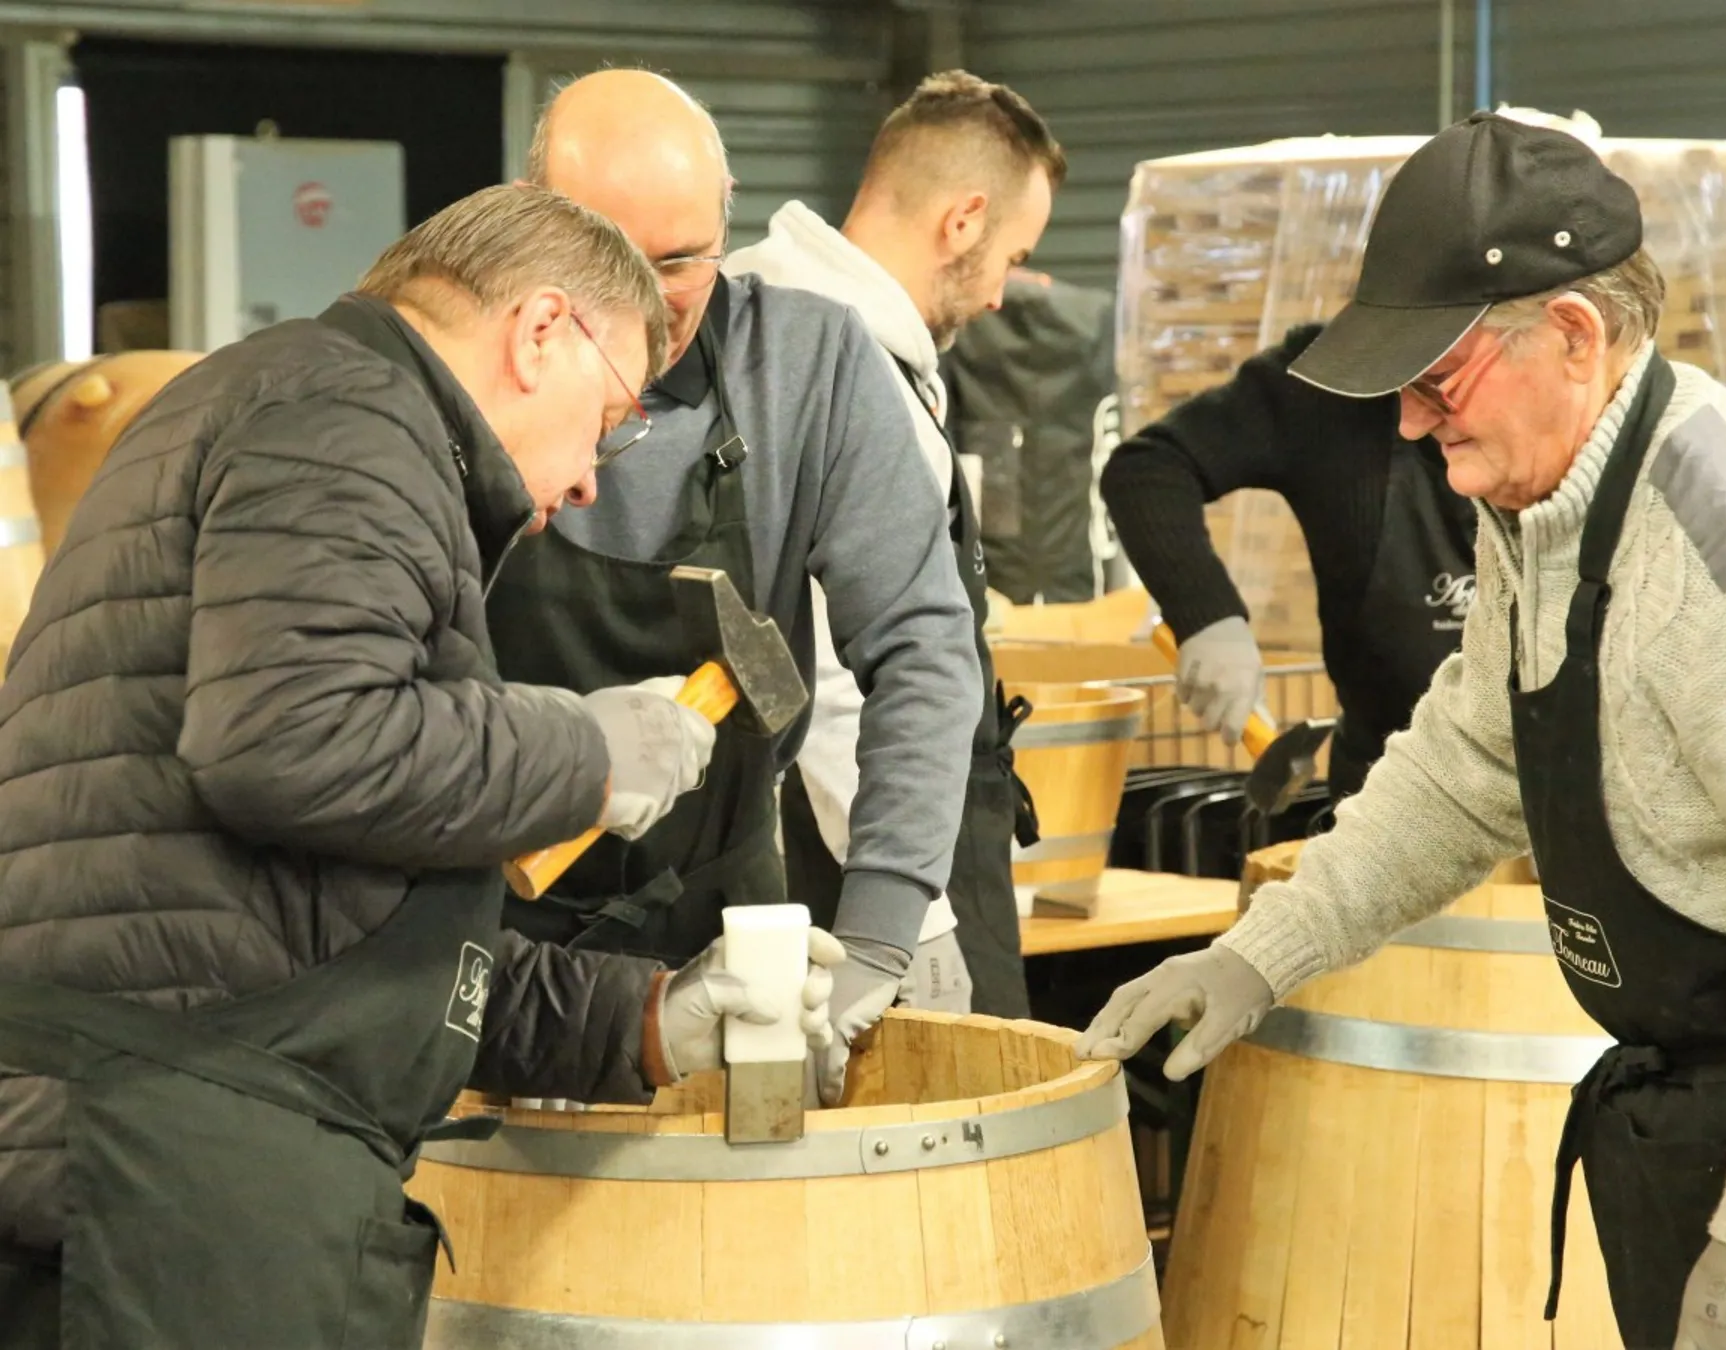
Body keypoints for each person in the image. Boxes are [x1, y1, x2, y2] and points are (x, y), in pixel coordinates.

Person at [0, 184, 840, 1350]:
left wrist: (648, 1020)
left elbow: (348, 935)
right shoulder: (348, 412)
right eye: (610, 418)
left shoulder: (316, 413)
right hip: (182, 1173)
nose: (595, 476)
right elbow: (289, 739)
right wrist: (582, 752)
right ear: (541, 329)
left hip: (193, 1135)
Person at [1078, 112, 1726, 1350]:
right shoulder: (1546, 501)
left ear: (1573, 336)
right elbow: (1470, 763)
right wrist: (1260, 956)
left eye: (1437, 382)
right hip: (1681, 1111)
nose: (1412, 429)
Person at [499, 70, 982, 1104]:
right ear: (528, 213)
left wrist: (886, 927)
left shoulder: (808, 367)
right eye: (601, 257)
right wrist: (544, 752)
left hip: (730, 935)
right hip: (487, 933)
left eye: (677, 263)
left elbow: (922, 649)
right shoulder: (469, 364)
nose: (637, 298)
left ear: (729, 219)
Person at [723, 70, 1064, 1018]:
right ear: (962, 221)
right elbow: (823, 673)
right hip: (870, 852)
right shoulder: (837, 367)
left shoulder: (778, 318)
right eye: (1012, 254)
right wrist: (912, 912)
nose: (1002, 294)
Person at [1101, 321, 1477, 802]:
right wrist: (1207, 616)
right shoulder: (1328, 381)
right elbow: (1147, 469)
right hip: (1386, 796)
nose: (1419, 418)